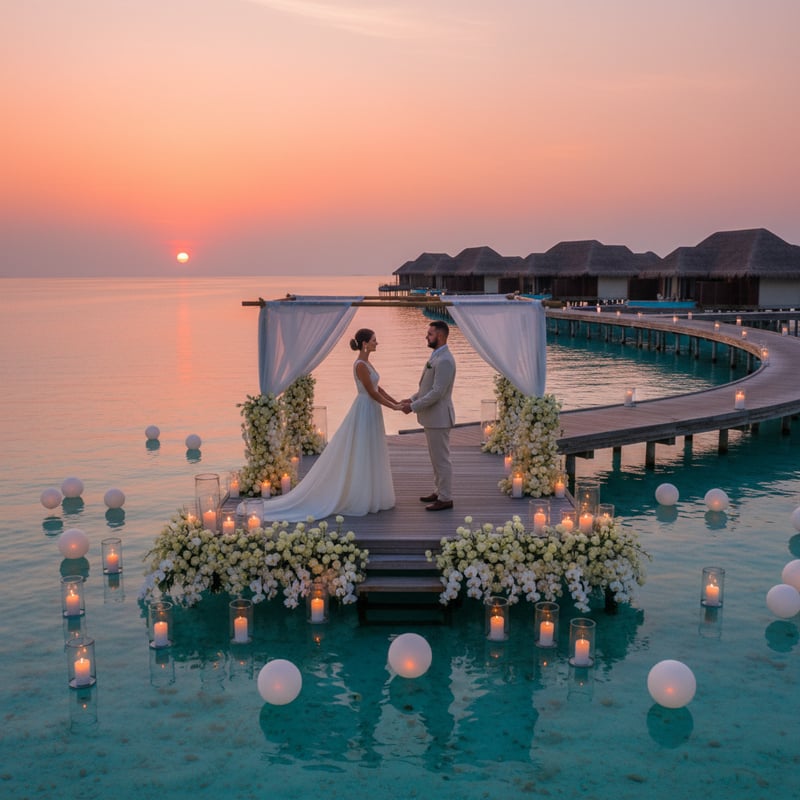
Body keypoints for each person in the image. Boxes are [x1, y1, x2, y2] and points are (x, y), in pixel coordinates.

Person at [255, 328, 399, 521]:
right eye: (374, 340)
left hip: (372, 409)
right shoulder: (360, 365)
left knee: (372, 448)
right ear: (365, 343)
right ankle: (360, 495)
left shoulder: (367, 362)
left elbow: (377, 387)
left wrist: (396, 402)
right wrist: (394, 408)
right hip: (365, 408)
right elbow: (371, 393)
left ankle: (372, 493)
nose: (376, 343)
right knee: (363, 449)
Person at [401, 320, 456, 511]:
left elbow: (437, 393)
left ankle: (446, 498)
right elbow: (425, 387)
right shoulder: (436, 356)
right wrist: (410, 399)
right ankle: (439, 491)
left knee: (441, 459)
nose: (427, 336)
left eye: (430, 333)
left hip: (439, 418)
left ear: (440, 336)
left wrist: (413, 407)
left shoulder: (446, 360)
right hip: (432, 418)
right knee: (435, 458)